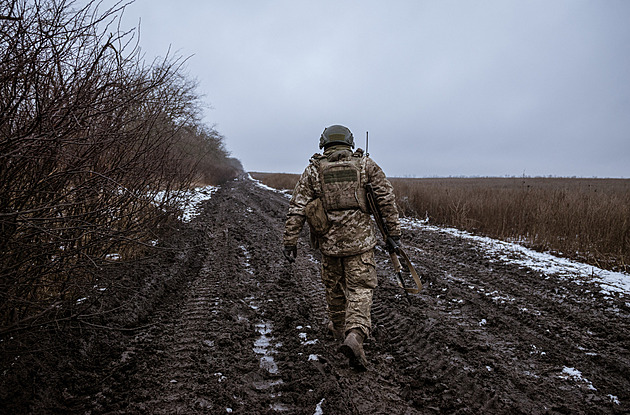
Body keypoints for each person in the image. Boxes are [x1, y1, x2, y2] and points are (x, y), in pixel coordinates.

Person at [282, 124, 401, 370]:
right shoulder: (366, 166)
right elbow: (386, 200)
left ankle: (338, 329)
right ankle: (355, 334)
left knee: (333, 287)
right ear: (349, 142)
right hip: (360, 246)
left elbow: (297, 208)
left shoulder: (314, 171)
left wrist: (290, 240)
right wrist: (393, 234)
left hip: (329, 245)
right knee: (360, 289)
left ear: (324, 143)